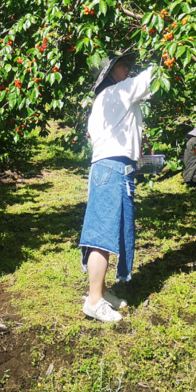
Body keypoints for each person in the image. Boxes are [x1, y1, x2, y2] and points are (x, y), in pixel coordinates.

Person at [80, 52, 155, 322]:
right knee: (102, 235)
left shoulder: (104, 100)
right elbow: (151, 77)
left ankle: (98, 292)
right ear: (111, 73)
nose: (128, 68)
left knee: (109, 231)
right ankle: (94, 300)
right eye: (123, 65)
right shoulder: (119, 91)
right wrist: (172, 50)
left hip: (109, 168)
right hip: (112, 169)